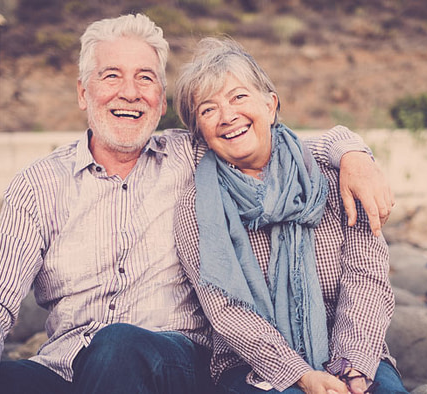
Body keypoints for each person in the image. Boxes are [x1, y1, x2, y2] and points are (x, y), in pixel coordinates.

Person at [0, 14, 394, 394]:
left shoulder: (189, 154)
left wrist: (353, 152)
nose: (129, 93)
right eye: (111, 76)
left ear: (159, 94)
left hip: (171, 360)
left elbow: (264, 138)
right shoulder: (40, 184)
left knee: (118, 344)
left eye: (146, 78)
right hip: (65, 366)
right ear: (83, 93)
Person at [173, 37, 406, 394]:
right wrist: (300, 374)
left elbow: (367, 278)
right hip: (251, 364)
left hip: (349, 350)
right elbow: (225, 310)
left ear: (270, 105)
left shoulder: (333, 173)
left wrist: (352, 367)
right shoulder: (197, 205)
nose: (227, 116)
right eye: (208, 109)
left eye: (238, 97)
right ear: (200, 131)